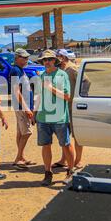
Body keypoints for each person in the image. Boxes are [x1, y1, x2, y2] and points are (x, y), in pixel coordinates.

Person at [34, 50, 75, 186]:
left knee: (66, 145)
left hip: (59, 118)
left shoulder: (62, 75)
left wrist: (51, 88)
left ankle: (70, 171)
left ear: (54, 60)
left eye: (50, 59)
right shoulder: (42, 76)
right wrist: (34, 113)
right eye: (44, 60)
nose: (47, 62)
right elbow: (39, 96)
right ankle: (48, 173)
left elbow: (67, 96)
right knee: (45, 146)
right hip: (43, 118)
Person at [52, 49, 85, 171]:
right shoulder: (61, 70)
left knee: (77, 135)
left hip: (73, 107)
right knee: (64, 135)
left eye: (57, 57)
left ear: (63, 57)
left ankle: (78, 160)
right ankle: (64, 159)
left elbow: (86, 82)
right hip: (63, 107)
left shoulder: (72, 69)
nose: (55, 59)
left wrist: (79, 97)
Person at [10, 48, 35, 169]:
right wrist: (26, 108)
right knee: (27, 132)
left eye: (27, 58)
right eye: (24, 58)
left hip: (22, 105)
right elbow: (16, 91)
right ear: (17, 58)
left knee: (21, 132)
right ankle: (18, 158)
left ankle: (21, 156)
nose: (26, 60)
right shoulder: (15, 70)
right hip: (21, 106)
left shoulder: (20, 70)